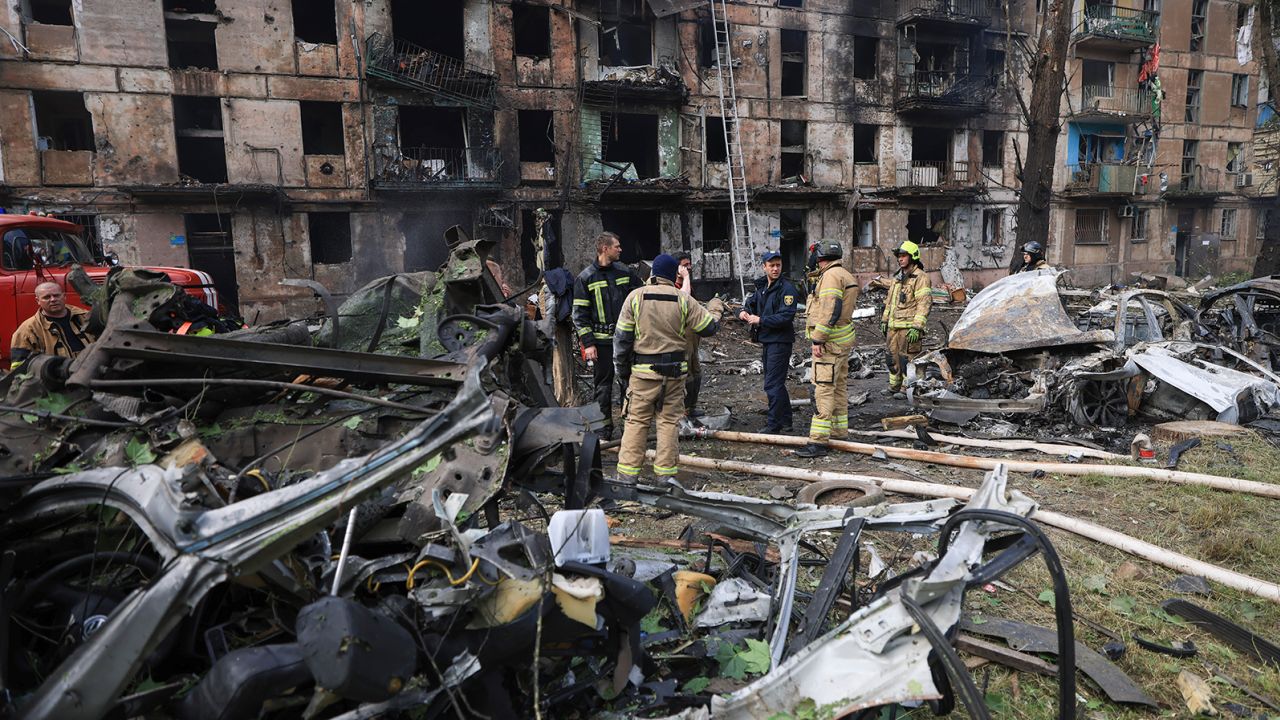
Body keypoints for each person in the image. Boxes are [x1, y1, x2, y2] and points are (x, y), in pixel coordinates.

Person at [614, 254, 726, 482]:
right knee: (668, 423)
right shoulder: (683, 299)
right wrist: (715, 312)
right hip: (675, 375)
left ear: (653, 274)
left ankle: (626, 477)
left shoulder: (635, 298)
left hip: (643, 374)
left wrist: (623, 372)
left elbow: (622, 340)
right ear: (673, 274)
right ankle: (665, 478)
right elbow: (708, 329)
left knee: (637, 421)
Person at [573, 231, 643, 439]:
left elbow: (641, 299)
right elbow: (579, 315)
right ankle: (603, 430)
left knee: (628, 385)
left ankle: (628, 429)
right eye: (617, 246)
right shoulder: (585, 278)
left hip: (626, 341)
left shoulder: (626, 273)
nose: (620, 249)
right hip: (601, 345)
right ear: (605, 248)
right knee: (602, 387)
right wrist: (589, 343)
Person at [796, 241, 858, 458]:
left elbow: (831, 309)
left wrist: (818, 340)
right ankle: (839, 431)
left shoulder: (831, 276)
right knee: (838, 387)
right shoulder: (843, 274)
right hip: (842, 341)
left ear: (820, 256)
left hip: (829, 344)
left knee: (822, 389)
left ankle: (818, 441)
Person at [740, 251, 799, 433]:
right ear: (764, 267)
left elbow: (786, 316)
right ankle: (786, 420)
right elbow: (750, 303)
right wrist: (742, 312)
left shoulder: (786, 289)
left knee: (772, 384)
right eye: (771, 265)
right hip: (768, 341)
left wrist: (761, 320)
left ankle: (774, 425)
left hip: (780, 342)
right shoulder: (763, 287)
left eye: (778, 265)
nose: (775, 269)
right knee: (776, 383)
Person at [880, 241, 933, 397]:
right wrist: (884, 320)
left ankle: (907, 388)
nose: (900, 259)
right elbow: (890, 302)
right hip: (893, 326)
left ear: (913, 257)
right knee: (891, 357)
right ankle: (894, 385)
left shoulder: (921, 278)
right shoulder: (897, 278)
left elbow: (924, 304)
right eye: (899, 256)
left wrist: (917, 327)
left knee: (907, 359)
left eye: (903, 256)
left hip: (909, 327)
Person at [10, 281, 96, 370]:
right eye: (46, 297)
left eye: (56, 295)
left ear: (64, 296)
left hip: (94, 375)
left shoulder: (87, 317)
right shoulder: (27, 330)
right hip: (54, 381)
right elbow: (19, 369)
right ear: (38, 301)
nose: (53, 299)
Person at [672, 251, 704, 418]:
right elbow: (683, 302)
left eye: (689, 264)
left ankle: (691, 407)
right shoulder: (673, 288)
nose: (689, 268)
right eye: (685, 265)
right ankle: (682, 411)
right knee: (686, 374)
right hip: (681, 337)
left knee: (696, 371)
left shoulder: (689, 285)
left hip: (693, 336)